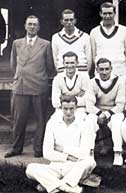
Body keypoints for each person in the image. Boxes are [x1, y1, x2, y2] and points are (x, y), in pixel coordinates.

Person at [5, 15, 54, 158]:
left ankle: (38, 148)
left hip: (39, 86)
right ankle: (16, 148)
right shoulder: (16, 43)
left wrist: (38, 76)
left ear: (38, 27)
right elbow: (14, 64)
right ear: (25, 26)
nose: (32, 27)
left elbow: (50, 66)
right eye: (29, 24)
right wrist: (22, 75)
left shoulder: (45, 44)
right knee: (19, 119)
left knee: (40, 119)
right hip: (21, 86)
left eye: (35, 24)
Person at [26, 95, 96, 193]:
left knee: (89, 161)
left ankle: (51, 185)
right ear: (60, 108)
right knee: (30, 168)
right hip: (56, 166)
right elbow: (47, 153)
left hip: (75, 166)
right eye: (65, 109)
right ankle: (69, 188)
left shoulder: (83, 124)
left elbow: (84, 152)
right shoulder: (52, 123)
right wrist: (67, 157)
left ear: (76, 108)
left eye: (71, 109)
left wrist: (62, 148)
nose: (68, 112)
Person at [85, 57, 125, 166]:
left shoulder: (119, 81)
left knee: (117, 122)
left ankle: (117, 152)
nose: (104, 72)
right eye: (101, 69)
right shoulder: (92, 82)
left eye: (107, 69)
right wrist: (99, 113)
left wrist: (107, 114)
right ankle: (89, 153)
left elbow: (121, 105)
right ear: (97, 69)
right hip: (97, 112)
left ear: (111, 69)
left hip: (114, 112)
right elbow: (89, 105)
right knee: (89, 120)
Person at [90, 2, 126, 83]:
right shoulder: (94, 32)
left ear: (114, 14)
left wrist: (120, 67)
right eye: (105, 13)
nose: (107, 16)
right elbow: (94, 56)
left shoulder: (124, 30)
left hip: (119, 71)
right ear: (100, 14)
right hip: (101, 72)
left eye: (110, 13)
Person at [51, 51, 90, 120]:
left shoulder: (84, 77)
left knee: (81, 118)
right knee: (55, 119)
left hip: (79, 109)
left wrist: (64, 97)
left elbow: (87, 100)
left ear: (77, 63)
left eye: (72, 63)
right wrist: (76, 97)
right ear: (63, 63)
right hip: (62, 109)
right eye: (67, 63)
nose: (69, 66)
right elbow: (55, 102)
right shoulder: (57, 78)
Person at [51, 9, 92, 74]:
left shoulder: (85, 36)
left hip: (82, 73)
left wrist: (85, 75)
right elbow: (55, 59)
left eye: (71, 20)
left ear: (75, 21)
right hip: (63, 74)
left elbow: (89, 60)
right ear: (62, 21)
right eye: (66, 20)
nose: (69, 22)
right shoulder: (55, 37)